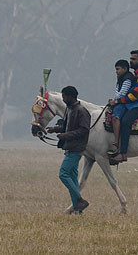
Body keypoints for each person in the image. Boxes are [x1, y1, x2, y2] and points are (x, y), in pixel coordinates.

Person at [45, 85, 91, 213]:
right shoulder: (70, 110)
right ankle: (77, 208)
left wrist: (65, 135)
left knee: (63, 174)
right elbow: (67, 127)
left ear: (70, 96)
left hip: (76, 148)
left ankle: (80, 200)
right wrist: (54, 129)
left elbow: (83, 130)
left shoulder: (81, 111)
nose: (63, 99)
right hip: (70, 147)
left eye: (64, 96)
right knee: (72, 177)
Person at [111, 50, 138, 164]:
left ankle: (123, 153)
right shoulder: (136, 74)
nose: (131, 61)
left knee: (125, 122)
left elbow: (134, 96)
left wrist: (117, 101)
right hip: (134, 102)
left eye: (134, 59)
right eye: (130, 59)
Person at [107, 59, 137, 158]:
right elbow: (117, 91)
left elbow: (123, 93)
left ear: (125, 69)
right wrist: (114, 100)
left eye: (118, 69)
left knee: (115, 117)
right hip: (120, 101)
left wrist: (114, 101)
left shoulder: (128, 78)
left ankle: (115, 143)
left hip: (126, 103)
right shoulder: (120, 78)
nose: (116, 71)